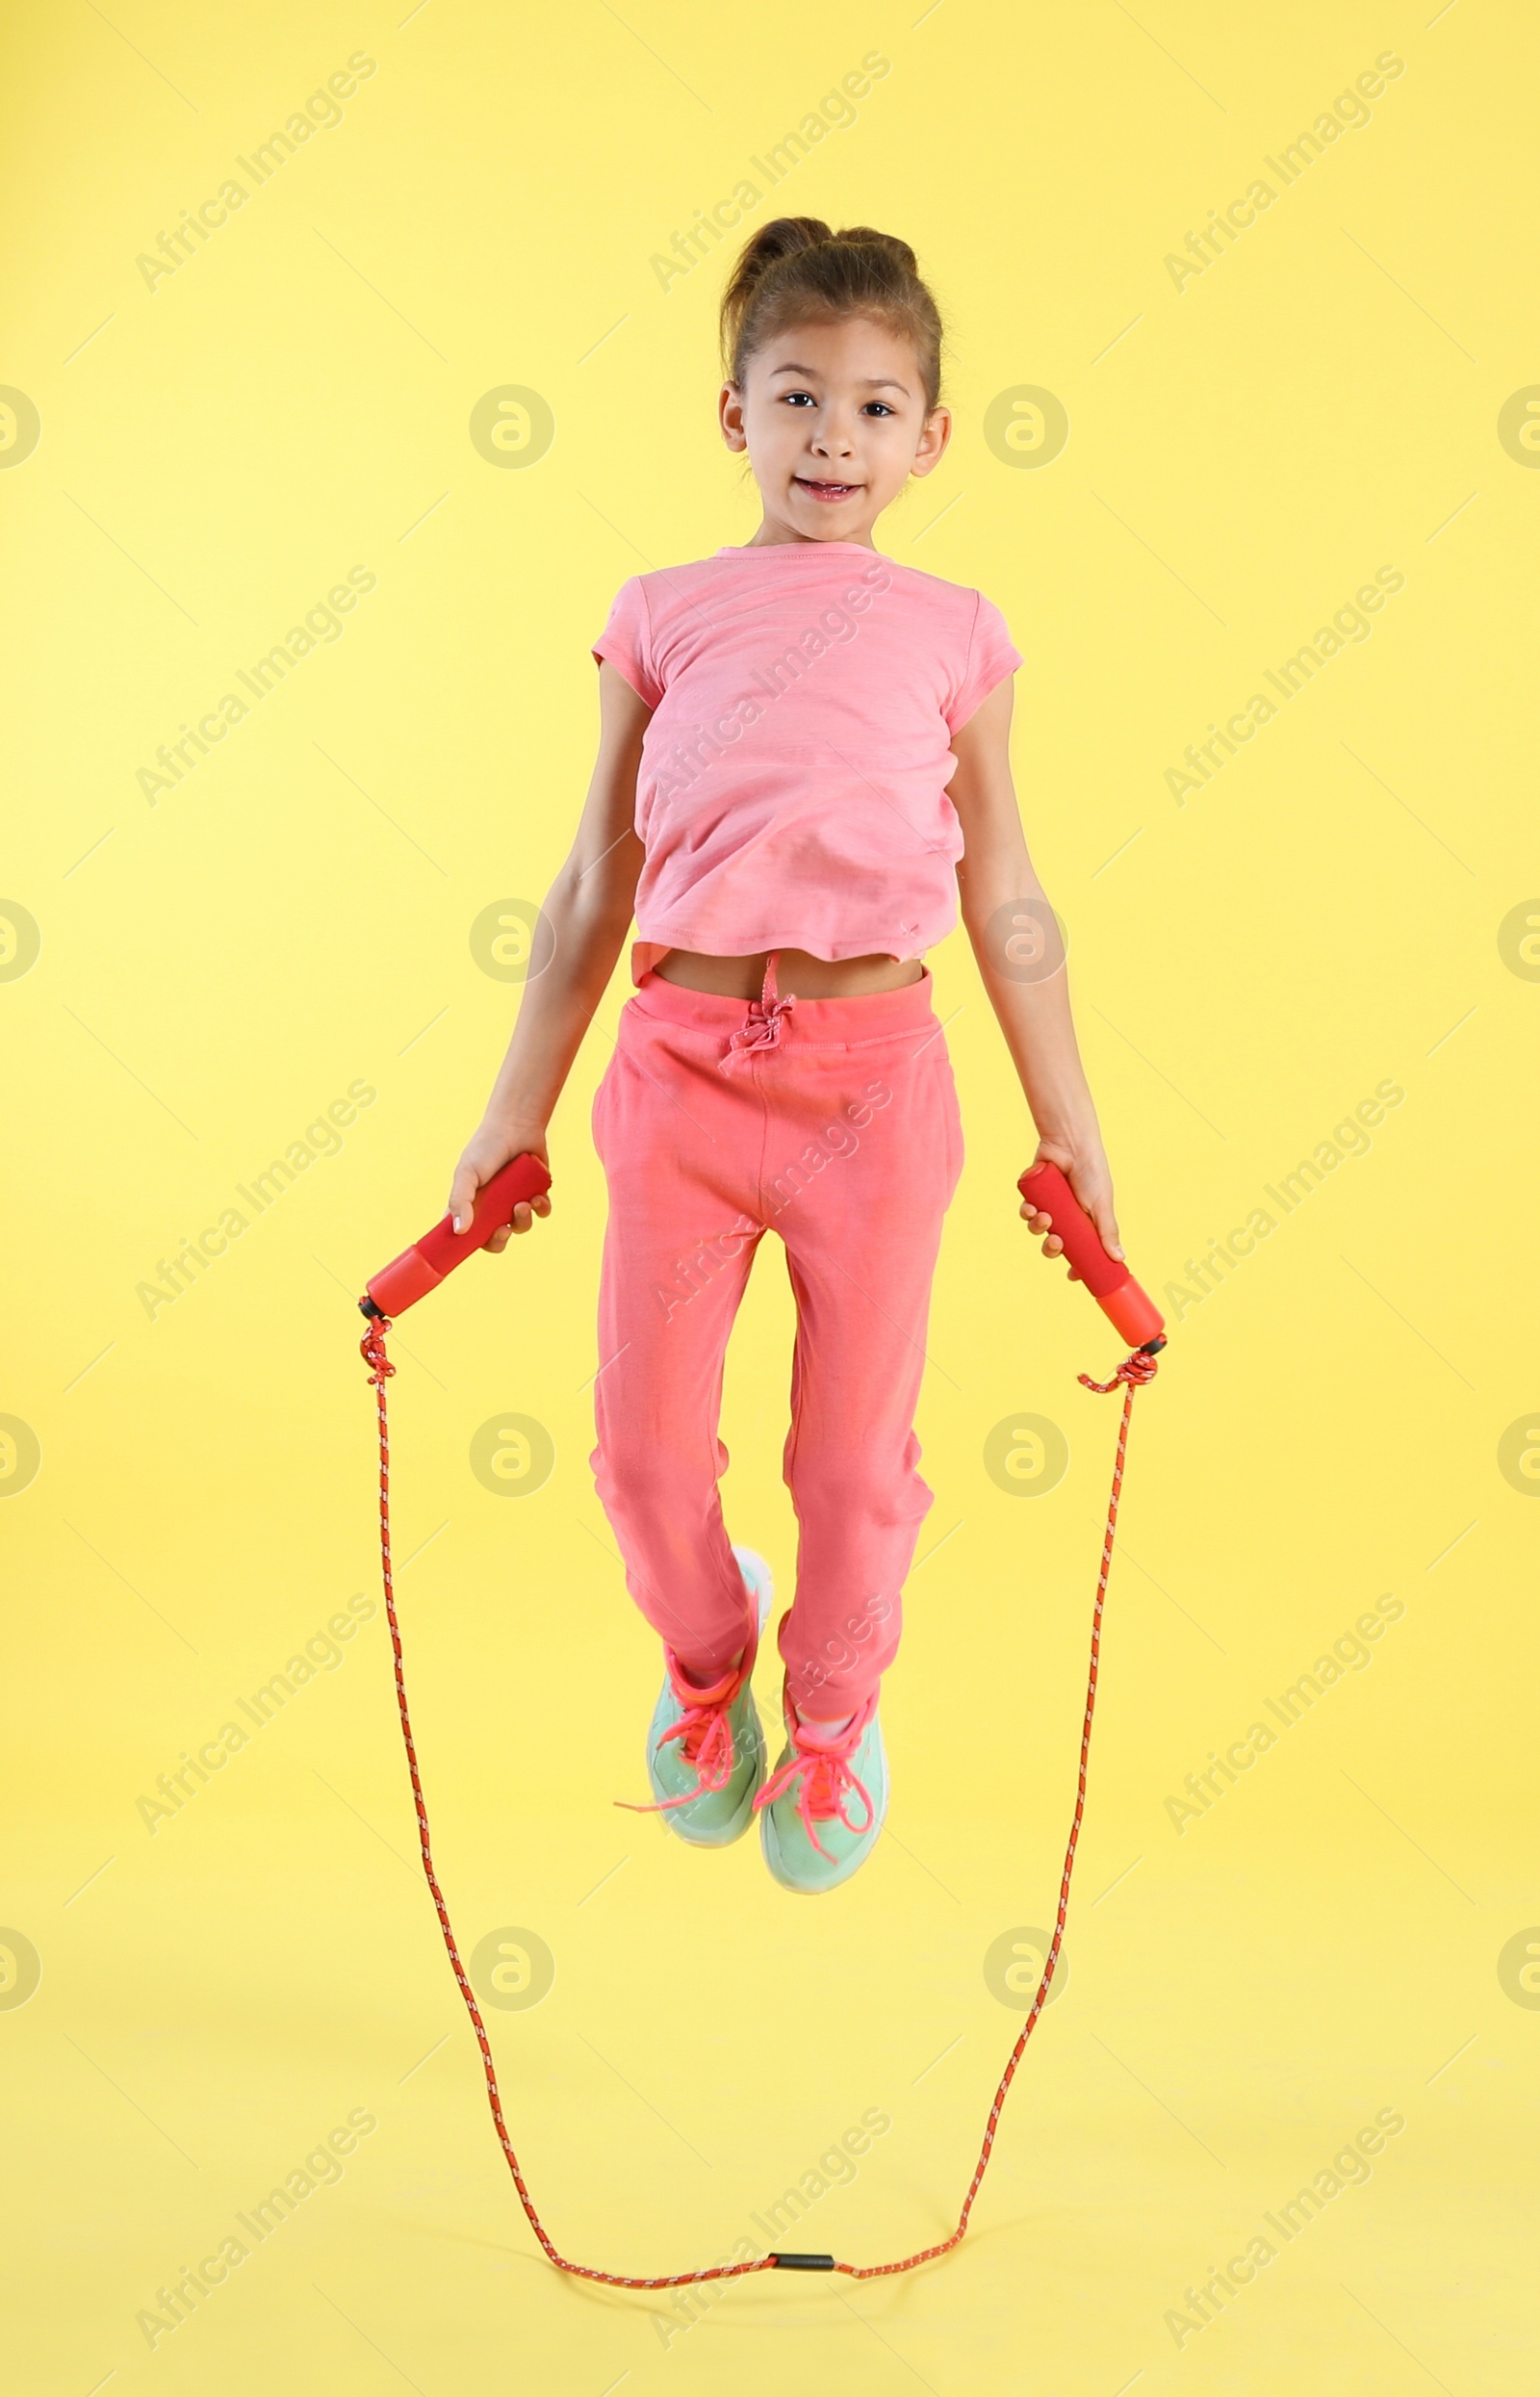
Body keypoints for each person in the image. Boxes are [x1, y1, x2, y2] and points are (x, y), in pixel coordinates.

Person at [448, 218, 1122, 1894]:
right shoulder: (661, 613)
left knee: (848, 1462)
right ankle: (704, 1661)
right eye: (801, 395)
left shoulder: (959, 632)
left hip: (877, 1082)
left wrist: (1072, 1119)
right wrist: (507, 1116)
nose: (838, 437)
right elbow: (596, 880)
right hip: (680, 1075)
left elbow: (1009, 891)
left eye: (881, 408)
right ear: (734, 415)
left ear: (933, 438)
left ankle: (832, 1714)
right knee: (644, 1456)